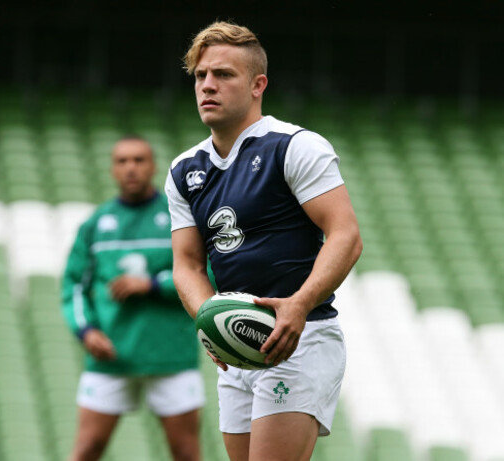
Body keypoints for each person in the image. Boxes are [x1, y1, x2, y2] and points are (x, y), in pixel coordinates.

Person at [165, 21, 363, 461]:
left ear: (258, 85)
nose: (207, 86)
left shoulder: (295, 146)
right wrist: (209, 320)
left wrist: (299, 302)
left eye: (223, 75)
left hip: (301, 338)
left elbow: (346, 236)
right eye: (200, 76)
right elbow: (187, 265)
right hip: (240, 349)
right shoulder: (184, 170)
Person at [62, 136, 205, 461]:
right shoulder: (96, 225)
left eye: (139, 160)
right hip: (111, 356)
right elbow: (74, 287)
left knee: (186, 453)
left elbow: (204, 274)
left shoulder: (178, 218)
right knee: (86, 450)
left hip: (171, 356)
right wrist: (86, 331)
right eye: (123, 161)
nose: (131, 168)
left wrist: (152, 285)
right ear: (113, 169)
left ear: (153, 166)